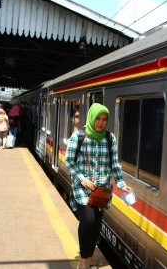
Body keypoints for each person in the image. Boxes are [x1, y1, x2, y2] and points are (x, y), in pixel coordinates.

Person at [65, 103, 132, 269]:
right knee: (88, 220)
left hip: (102, 190)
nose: (101, 123)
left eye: (104, 119)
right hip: (83, 189)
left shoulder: (110, 139)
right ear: (91, 118)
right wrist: (82, 179)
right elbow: (69, 161)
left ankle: (90, 255)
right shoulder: (78, 137)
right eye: (98, 119)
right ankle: (84, 257)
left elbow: (115, 164)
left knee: (97, 224)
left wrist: (121, 184)